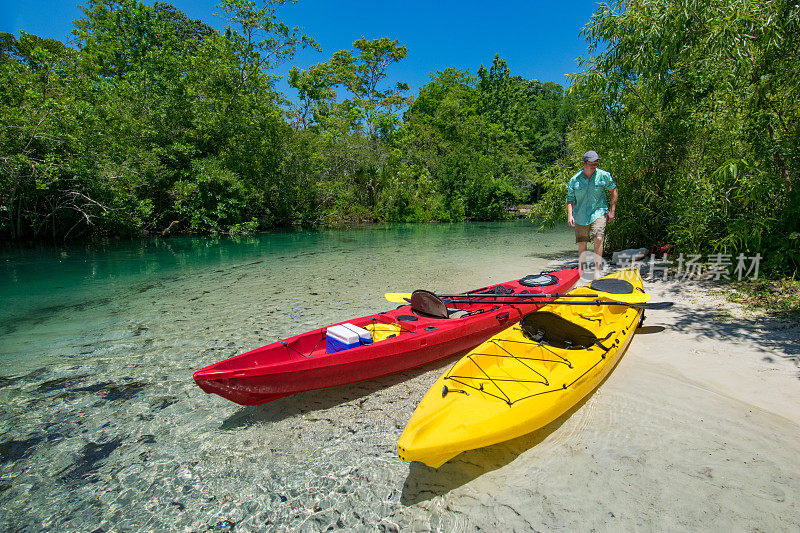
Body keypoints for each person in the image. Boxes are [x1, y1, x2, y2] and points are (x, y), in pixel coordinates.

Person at [566, 150, 618, 277]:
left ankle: (596, 271)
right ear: (584, 163)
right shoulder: (575, 180)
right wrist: (570, 215)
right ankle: (581, 270)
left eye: (596, 163)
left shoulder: (603, 175)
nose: (594, 166)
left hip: (599, 211)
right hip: (581, 215)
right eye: (591, 164)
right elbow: (570, 199)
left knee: (598, 238)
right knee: (582, 243)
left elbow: (614, 190)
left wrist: (612, 210)